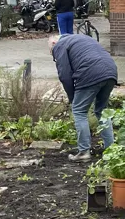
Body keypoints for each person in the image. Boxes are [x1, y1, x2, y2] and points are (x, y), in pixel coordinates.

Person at [50, 33, 116, 161]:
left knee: (79, 111)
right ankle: (111, 150)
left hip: (90, 73)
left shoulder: (59, 45)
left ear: (53, 43)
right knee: (102, 111)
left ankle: (84, 151)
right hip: (111, 71)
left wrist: (72, 98)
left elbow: (65, 75)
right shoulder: (81, 38)